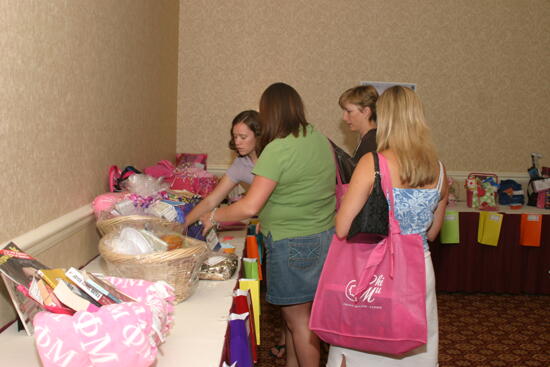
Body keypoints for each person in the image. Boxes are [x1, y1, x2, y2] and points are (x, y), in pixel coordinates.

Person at [199, 82, 336, 367]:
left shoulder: (278, 148)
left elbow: (250, 206)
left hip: (293, 243)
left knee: (300, 324)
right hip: (322, 237)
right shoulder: (319, 138)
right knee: (295, 320)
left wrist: (213, 217)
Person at [329, 86, 448, 367]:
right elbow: (432, 232)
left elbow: (343, 227)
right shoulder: (439, 168)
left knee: (365, 344)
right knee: (413, 346)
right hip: (419, 269)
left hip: (377, 270)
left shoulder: (374, 163)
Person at [182, 110, 260, 228]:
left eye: (243, 137)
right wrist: (184, 223)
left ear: (258, 136)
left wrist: (213, 216)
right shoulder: (240, 163)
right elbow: (211, 200)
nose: (237, 142)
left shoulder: (271, 159)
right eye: (235, 137)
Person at [338, 85, 379, 163]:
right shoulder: (370, 139)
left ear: (366, 112)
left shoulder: (370, 144)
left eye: (349, 111)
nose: (344, 117)